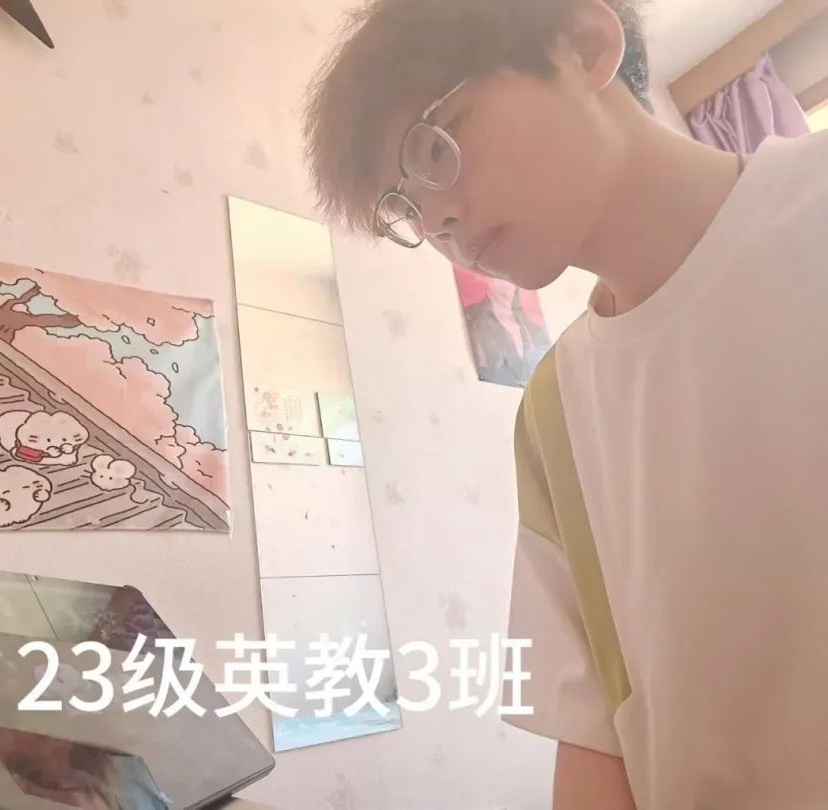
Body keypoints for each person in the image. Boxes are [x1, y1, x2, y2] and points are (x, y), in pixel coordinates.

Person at [302, 1, 828, 808]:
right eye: (405, 207)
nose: (439, 219)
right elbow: (597, 729)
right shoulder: (553, 411)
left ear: (584, 46)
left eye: (434, 146)